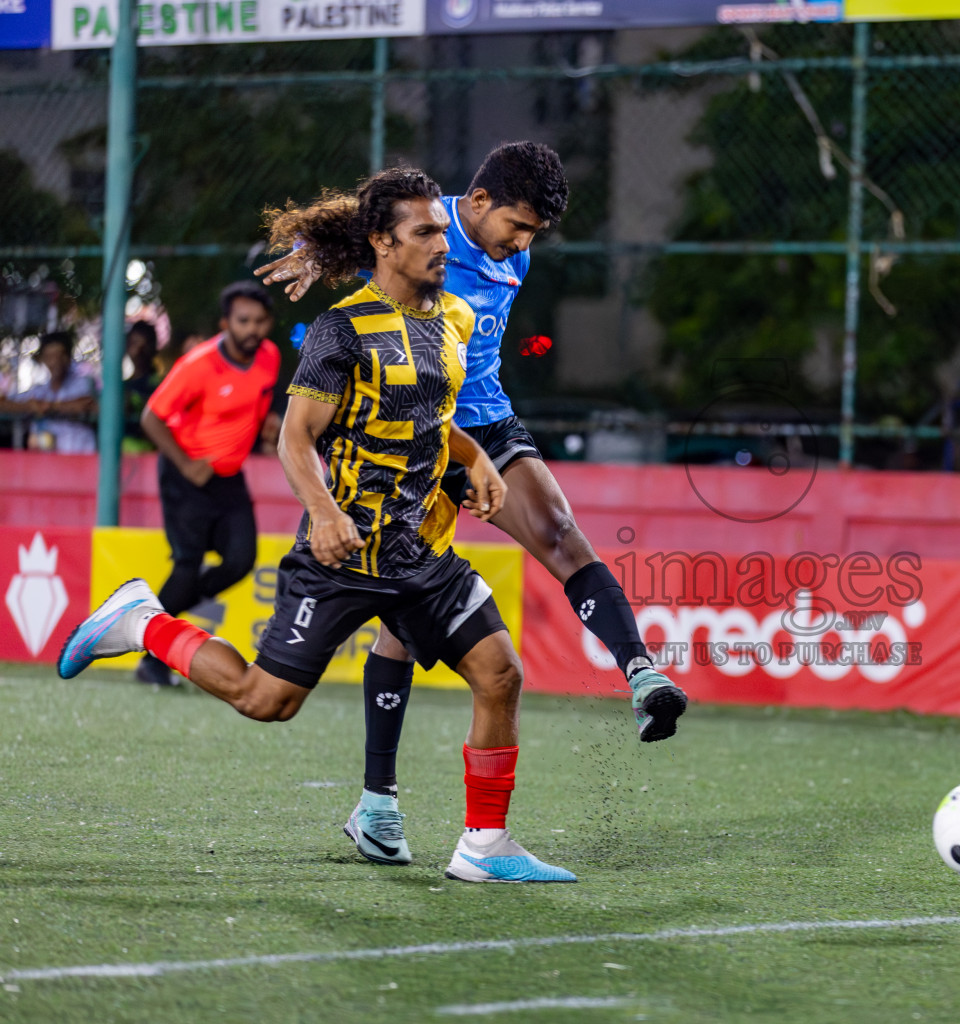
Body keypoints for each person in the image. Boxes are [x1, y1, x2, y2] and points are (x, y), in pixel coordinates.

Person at [57, 166, 575, 884]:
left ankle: (484, 845)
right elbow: (295, 438)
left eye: (439, 228)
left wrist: (476, 456)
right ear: (382, 244)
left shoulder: (453, 321)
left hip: (421, 554)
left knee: (499, 674)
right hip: (343, 552)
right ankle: (142, 621)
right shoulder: (341, 330)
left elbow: (435, 418)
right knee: (264, 701)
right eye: (424, 231)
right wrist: (325, 512)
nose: (440, 243)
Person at [257, 142, 687, 866]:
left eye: (534, 236)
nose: (523, 246)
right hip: (412, 435)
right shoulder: (421, 233)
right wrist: (314, 245)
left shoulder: (511, 250)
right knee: (401, 616)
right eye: (518, 227)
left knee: (559, 532)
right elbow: (366, 234)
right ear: (478, 204)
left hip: (481, 421)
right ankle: (378, 804)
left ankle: (640, 673)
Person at [134, 282, 281, 687]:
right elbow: (150, 417)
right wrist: (186, 463)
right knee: (187, 567)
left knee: (240, 560)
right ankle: (152, 656)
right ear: (225, 323)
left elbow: (256, 403)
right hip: (186, 477)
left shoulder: (269, 356)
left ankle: (156, 623)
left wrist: (266, 428)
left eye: (259, 321)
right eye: (243, 321)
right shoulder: (198, 364)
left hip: (230, 478)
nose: (252, 329)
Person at [0, 332, 98, 453]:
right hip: (48, 464)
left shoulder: (84, 383)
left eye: (59, 356)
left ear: (68, 357)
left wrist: (52, 406)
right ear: (43, 359)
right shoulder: (40, 390)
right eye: (49, 356)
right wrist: (29, 406)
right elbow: (4, 404)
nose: (55, 362)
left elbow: (90, 404)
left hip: (81, 460)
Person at [122, 320, 160, 451]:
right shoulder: (123, 385)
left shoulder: (159, 384)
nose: (137, 351)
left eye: (143, 346)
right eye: (133, 344)